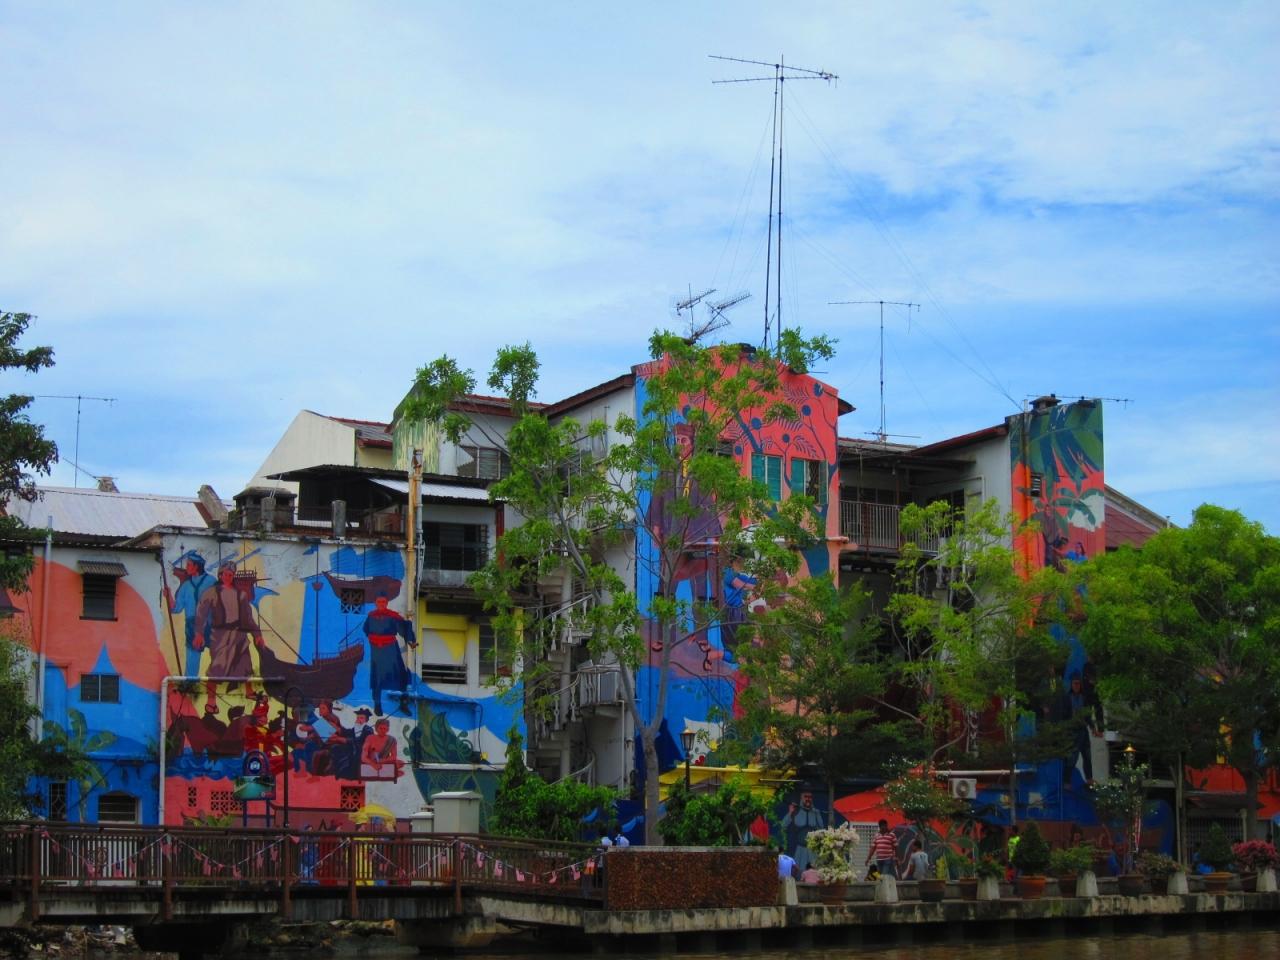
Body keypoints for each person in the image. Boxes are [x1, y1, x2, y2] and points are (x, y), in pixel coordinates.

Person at [194, 562, 264, 710]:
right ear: (220, 575)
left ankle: (249, 692)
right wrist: (199, 633)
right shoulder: (211, 593)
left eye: (231, 575)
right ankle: (211, 701)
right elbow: (201, 613)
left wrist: (257, 635)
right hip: (220, 636)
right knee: (217, 668)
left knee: (245, 664)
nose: (228, 577)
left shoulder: (241, 595)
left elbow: (248, 618)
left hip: (239, 634)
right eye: (225, 574)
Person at [362, 593, 417, 715]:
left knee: (400, 674)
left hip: (391, 649)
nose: (381, 604)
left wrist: (410, 640)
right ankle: (377, 705)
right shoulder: (371, 616)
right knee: (377, 678)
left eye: (383, 602)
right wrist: (374, 639)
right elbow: (366, 629)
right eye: (379, 602)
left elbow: (403, 627)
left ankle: (403, 702)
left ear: (386, 603)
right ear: (375, 603)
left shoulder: (392, 616)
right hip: (377, 651)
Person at [163, 550, 215, 677]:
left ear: (196, 566)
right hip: (192, 625)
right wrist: (169, 596)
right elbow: (176, 608)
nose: (186, 568)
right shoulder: (185, 586)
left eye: (189, 565)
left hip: (210, 623)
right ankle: (190, 684)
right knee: (192, 660)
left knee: (218, 654)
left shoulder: (212, 581)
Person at [1060, 671, 1103, 784]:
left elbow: (1088, 715)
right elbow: (1063, 715)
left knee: (1087, 755)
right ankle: (1066, 781)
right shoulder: (1067, 698)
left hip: (1083, 730)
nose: (1076, 686)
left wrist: (1093, 728)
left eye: (1078, 683)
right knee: (1072, 757)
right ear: (1071, 684)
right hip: (1072, 731)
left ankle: (1089, 778)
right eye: (1075, 683)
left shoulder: (1084, 698)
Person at [781, 790, 825, 871]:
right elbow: (783, 825)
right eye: (806, 796)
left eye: (810, 797)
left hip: (813, 850)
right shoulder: (795, 811)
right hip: (799, 850)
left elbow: (822, 829)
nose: (808, 799)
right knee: (799, 872)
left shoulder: (815, 812)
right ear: (801, 798)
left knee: (814, 872)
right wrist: (790, 813)